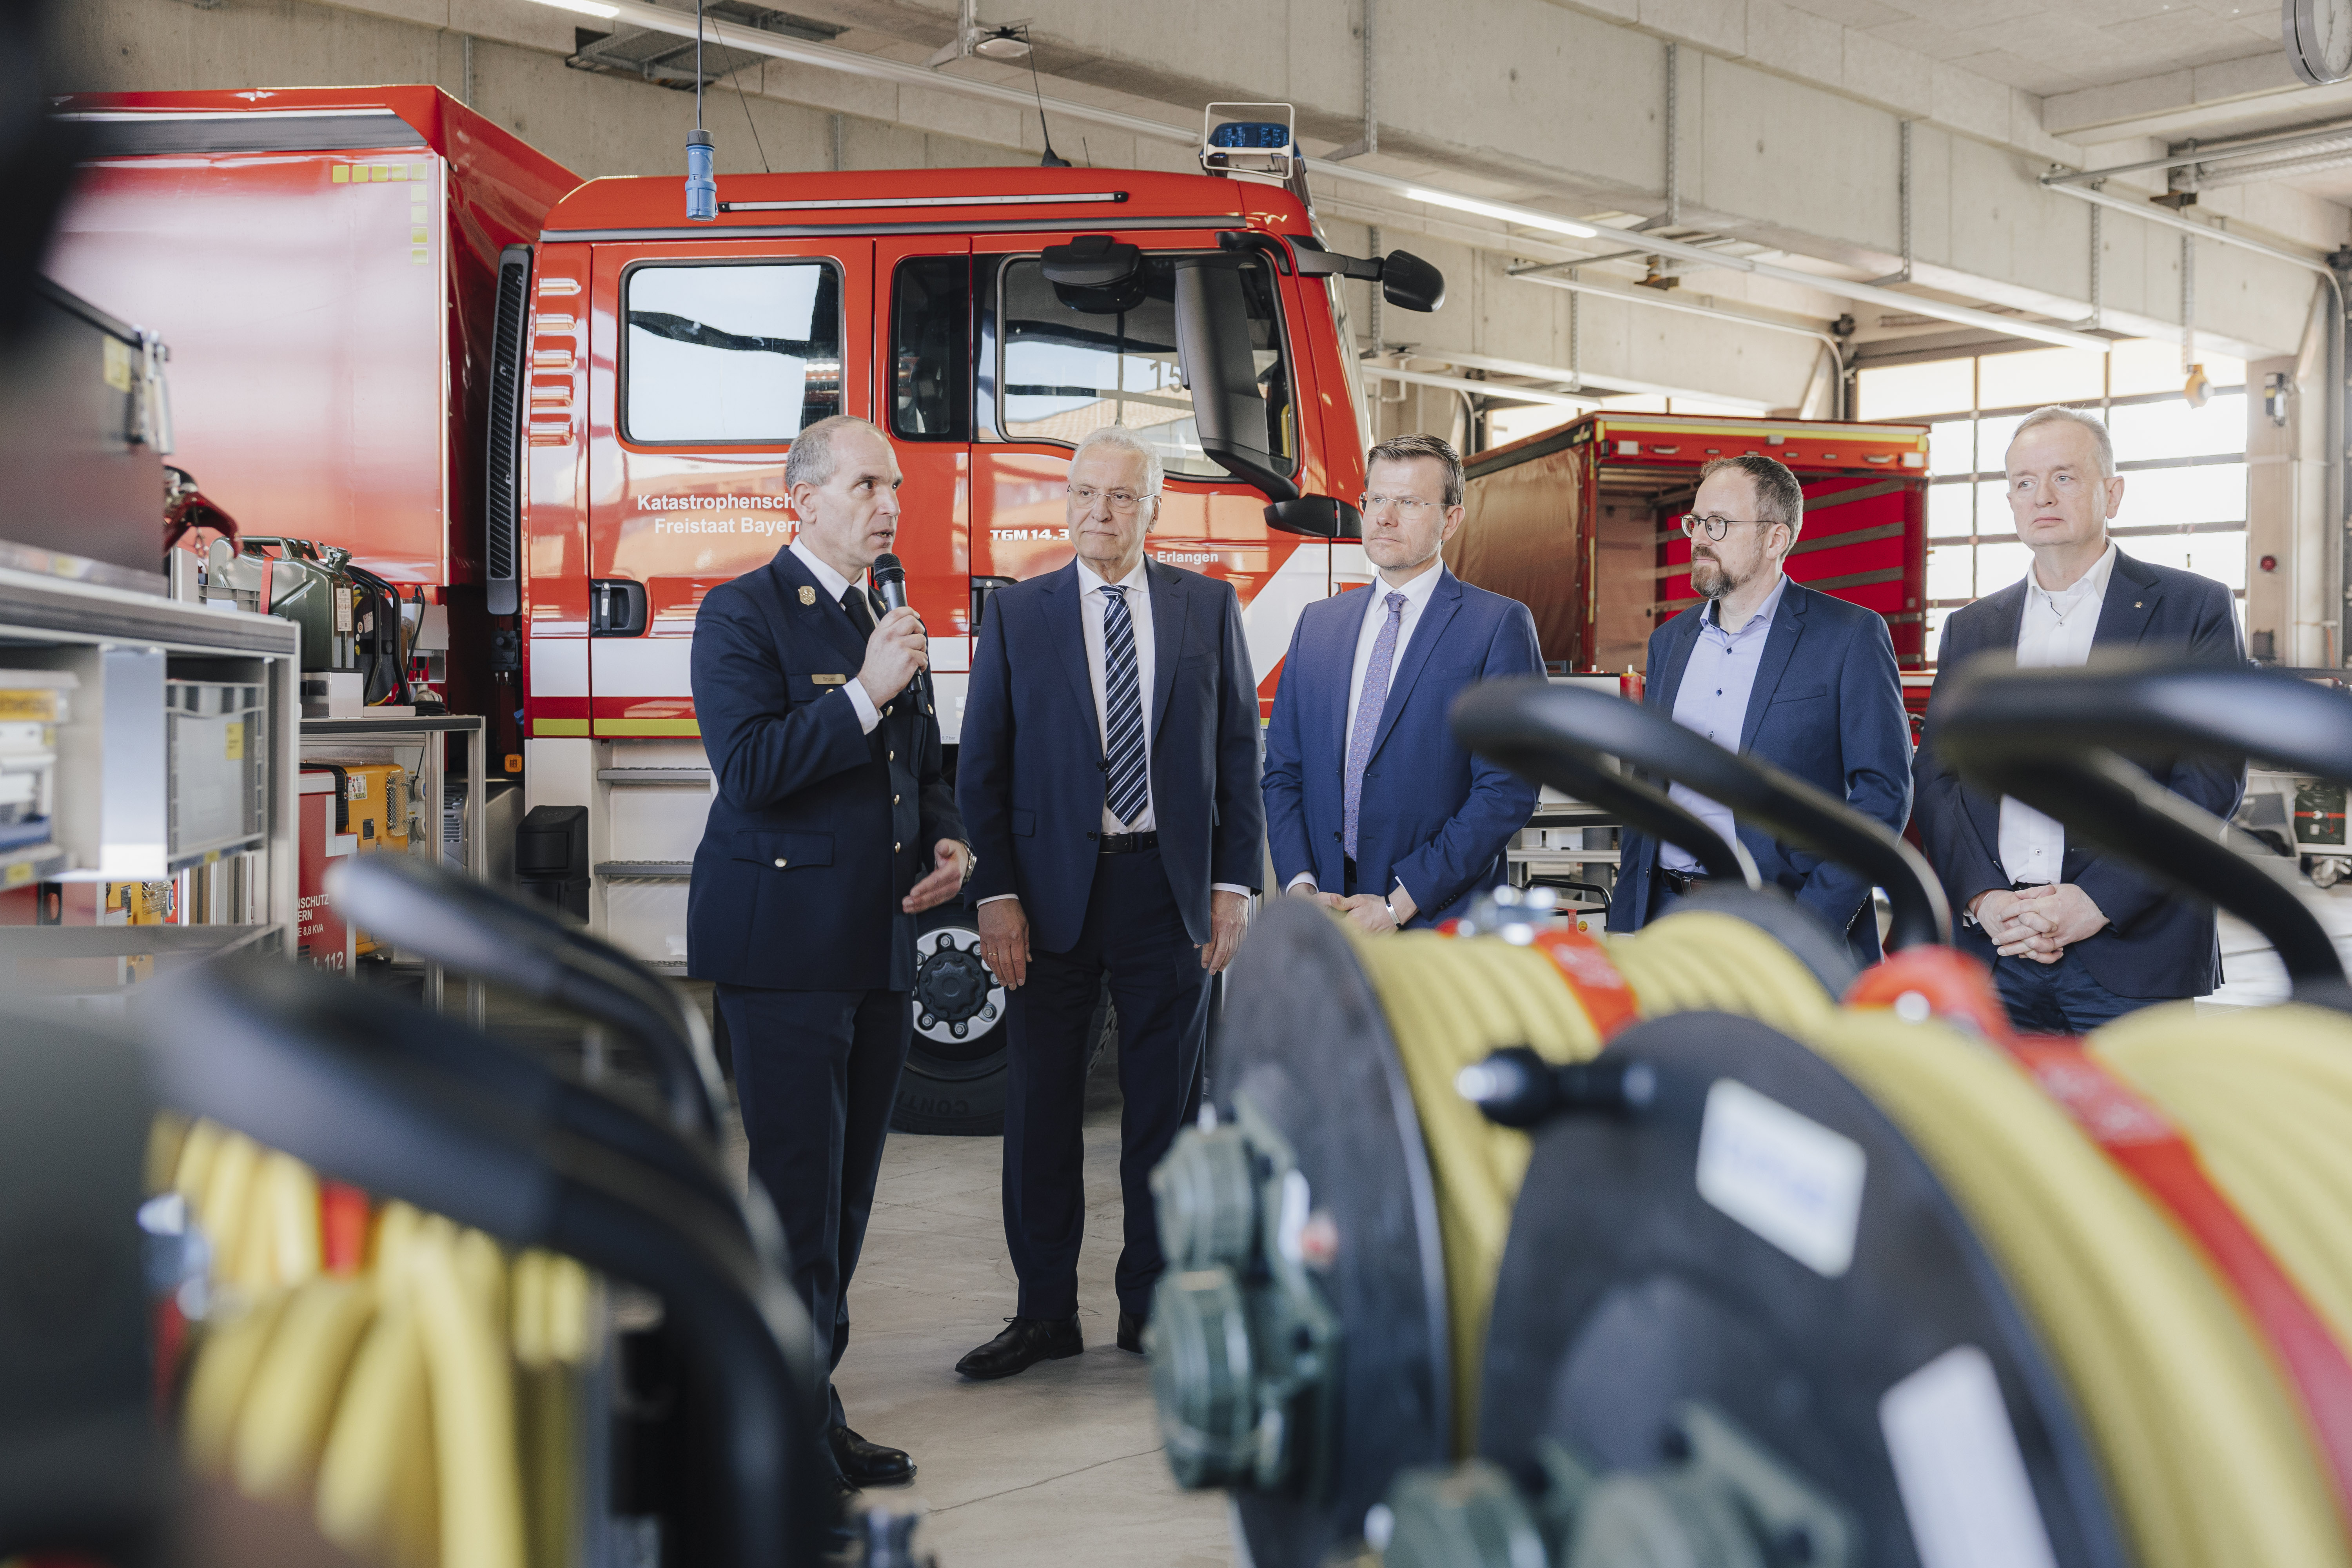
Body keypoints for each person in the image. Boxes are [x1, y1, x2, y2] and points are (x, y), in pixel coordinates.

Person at [686, 414, 971, 1495]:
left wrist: (950, 836)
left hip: (876, 943)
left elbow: (921, 764)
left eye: (893, 485)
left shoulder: (888, 617)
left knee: (848, 1204)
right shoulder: (743, 615)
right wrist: (866, 692)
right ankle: (778, 1429)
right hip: (785, 951)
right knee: (795, 1200)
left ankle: (812, 1403)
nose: (888, 504)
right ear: (802, 498)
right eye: (865, 485)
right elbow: (752, 771)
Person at [953, 423, 1264, 1378]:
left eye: (1123, 496)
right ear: (1065, 503)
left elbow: (1237, 757)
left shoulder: (1207, 607)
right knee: (1042, 1114)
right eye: (1086, 493)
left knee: (1162, 1120)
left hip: (1166, 895)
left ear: (1154, 508)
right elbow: (982, 769)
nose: (1101, 511)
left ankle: (1152, 1308)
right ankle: (1044, 1311)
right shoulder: (1018, 614)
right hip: (1048, 901)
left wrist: (1231, 882)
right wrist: (995, 892)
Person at [1913, 404, 2245, 1031]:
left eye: (2065, 477)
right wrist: (1983, 898)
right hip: (1997, 953)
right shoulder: (1973, 628)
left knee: (2131, 1130)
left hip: (2134, 953)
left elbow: (2208, 781)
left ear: (2111, 493)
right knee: (1996, 1129)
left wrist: (2098, 901)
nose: (2042, 496)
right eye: (2024, 482)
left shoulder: (2191, 608)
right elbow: (1937, 776)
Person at [1607, 452, 1912, 961]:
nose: (1699, 538)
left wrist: (1812, 922)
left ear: (1776, 538)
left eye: (1719, 524)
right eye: (1696, 522)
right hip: (1667, 920)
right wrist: (1628, 921)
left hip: (1783, 918)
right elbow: (1649, 789)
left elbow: (1884, 795)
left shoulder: (1849, 636)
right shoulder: (1670, 642)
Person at [1263, 433, 1543, 931]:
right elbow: (1285, 771)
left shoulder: (1497, 625)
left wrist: (1400, 905)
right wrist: (1300, 886)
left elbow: (1507, 790)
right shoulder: (1319, 624)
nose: (1384, 517)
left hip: (1438, 920)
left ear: (1451, 519)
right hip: (1325, 915)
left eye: (1409, 502)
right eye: (1375, 499)